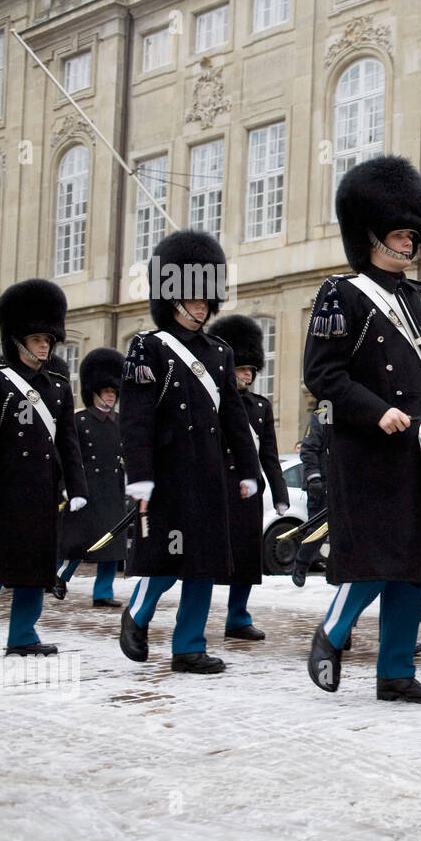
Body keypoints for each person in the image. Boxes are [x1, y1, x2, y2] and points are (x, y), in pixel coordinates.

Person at [303, 155, 421, 703]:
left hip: (416, 451)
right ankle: (331, 634)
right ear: (373, 234)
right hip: (366, 451)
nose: (411, 243)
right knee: (375, 561)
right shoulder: (340, 294)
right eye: (402, 233)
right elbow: (321, 373)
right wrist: (374, 410)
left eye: (414, 233)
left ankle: (396, 672)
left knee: (414, 567)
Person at [118, 230, 261, 674]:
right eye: (191, 298)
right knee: (168, 555)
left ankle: (189, 646)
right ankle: (138, 613)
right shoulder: (149, 347)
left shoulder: (219, 352)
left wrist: (248, 470)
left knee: (204, 561)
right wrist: (140, 474)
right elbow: (136, 417)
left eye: (206, 299)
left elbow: (235, 419)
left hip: (211, 471)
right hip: (169, 472)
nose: (201, 306)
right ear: (172, 297)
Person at [0, 279, 88, 654]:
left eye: (48, 340)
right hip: (6, 492)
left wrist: (78, 488)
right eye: (38, 339)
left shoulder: (57, 386)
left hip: (42, 491)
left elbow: (68, 443)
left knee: (35, 567)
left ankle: (23, 635)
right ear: (19, 340)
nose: (45, 346)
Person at [207, 314, 290, 641]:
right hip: (218, 487)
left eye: (250, 371)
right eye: (241, 370)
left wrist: (280, 493)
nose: (247, 376)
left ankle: (238, 617)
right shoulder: (214, 401)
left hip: (248, 491)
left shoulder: (260, 406)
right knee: (206, 559)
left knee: (245, 559)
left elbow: (268, 452)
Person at [57, 347, 128, 608]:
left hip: (112, 489)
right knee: (78, 542)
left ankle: (103, 592)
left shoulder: (121, 421)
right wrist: (67, 487)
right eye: (107, 391)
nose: (111, 396)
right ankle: (59, 577)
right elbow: (66, 456)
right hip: (86, 488)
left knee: (110, 543)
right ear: (95, 392)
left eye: (113, 392)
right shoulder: (80, 420)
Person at [291, 400, 330, 588]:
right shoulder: (324, 414)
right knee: (317, 530)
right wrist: (314, 478)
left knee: (345, 532)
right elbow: (309, 449)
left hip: (341, 484)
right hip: (321, 485)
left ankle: (336, 572)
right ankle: (300, 565)